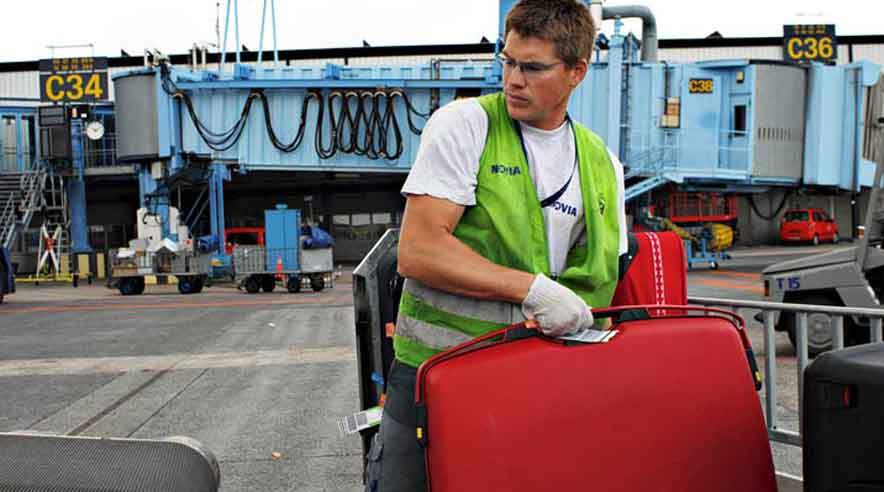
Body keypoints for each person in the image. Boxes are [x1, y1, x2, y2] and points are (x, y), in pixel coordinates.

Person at [364, 0, 627, 489]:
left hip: (543, 381)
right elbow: (418, 250)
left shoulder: (602, 163)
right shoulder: (465, 126)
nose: (513, 80)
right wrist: (533, 289)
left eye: (532, 67)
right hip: (436, 378)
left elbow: (605, 277)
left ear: (577, 72)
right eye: (507, 62)